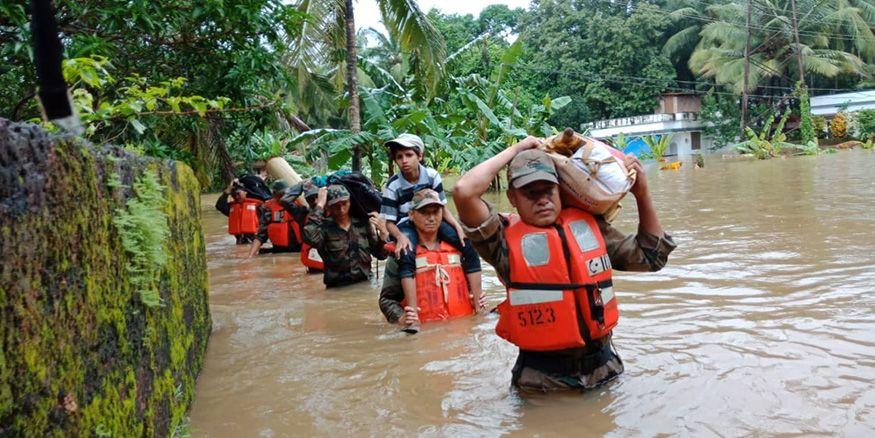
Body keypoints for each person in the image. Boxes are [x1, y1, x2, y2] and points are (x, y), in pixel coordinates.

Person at [452, 137, 677, 392]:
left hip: (605, 371)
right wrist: (517, 149)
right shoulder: (500, 241)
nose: (542, 200)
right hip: (542, 384)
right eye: (530, 193)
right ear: (512, 197)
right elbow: (463, 191)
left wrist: (642, 194)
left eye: (548, 190)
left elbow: (652, 258)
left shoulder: (589, 229)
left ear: (560, 189)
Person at [380, 134, 482, 315]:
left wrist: (459, 228)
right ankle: (412, 312)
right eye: (399, 157)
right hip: (404, 224)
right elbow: (389, 221)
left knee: (467, 245)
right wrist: (400, 237)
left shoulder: (432, 175)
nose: (404, 161)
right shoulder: (393, 185)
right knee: (406, 253)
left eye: (409, 155)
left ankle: (479, 302)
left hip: (433, 215)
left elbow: (442, 207)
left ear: (419, 156)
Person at [378, 189, 487, 333]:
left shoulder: (460, 249)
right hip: (424, 335)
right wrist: (400, 318)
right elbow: (386, 300)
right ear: (411, 215)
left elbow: (470, 289)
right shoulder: (401, 253)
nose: (431, 218)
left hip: (461, 335)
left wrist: (476, 299)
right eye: (424, 213)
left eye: (436, 212)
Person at [303, 184, 390, 288]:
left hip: (365, 283)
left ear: (350, 202)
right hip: (336, 287)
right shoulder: (324, 227)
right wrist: (320, 205)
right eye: (336, 206)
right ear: (329, 207)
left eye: (344, 204)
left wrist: (384, 235)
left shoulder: (362, 224)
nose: (341, 209)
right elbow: (309, 237)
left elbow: (380, 255)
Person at [247, 181, 309, 257]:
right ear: (274, 194)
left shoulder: (299, 204)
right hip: (279, 250)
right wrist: (250, 256)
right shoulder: (268, 208)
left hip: (299, 248)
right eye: (280, 195)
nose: (283, 198)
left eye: (285, 194)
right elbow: (261, 235)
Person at [215, 178, 261, 244]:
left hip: (255, 243)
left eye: (238, 194)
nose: (236, 197)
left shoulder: (257, 206)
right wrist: (226, 192)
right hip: (240, 243)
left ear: (245, 192)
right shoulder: (232, 208)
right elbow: (219, 206)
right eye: (234, 195)